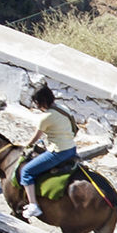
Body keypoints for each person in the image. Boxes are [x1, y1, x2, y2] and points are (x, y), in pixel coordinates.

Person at [20, 84, 79, 219]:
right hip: (71, 148)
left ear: (42, 101)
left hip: (58, 152)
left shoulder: (45, 117)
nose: (36, 106)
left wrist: (26, 145)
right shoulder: (63, 108)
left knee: (26, 172)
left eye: (37, 103)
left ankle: (33, 205)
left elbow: (35, 138)